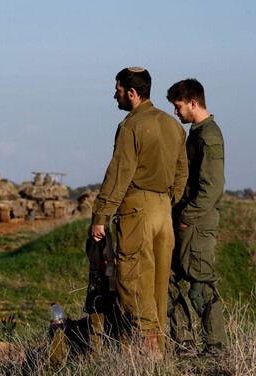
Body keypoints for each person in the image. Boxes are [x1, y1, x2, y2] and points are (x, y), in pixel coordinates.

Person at [89, 67, 188, 356]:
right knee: (157, 281)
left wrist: (100, 217)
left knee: (131, 277)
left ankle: (149, 346)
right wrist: (169, 200)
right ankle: (159, 349)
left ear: (132, 93)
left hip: (137, 209)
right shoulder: (173, 125)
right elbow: (182, 172)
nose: (115, 96)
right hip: (163, 211)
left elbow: (119, 174)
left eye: (118, 91)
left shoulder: (130, 126)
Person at [166, 79, 227, 356]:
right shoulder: (196, 132)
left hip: (197, 222)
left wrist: (186, 217)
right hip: (185, 219)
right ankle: (184, 342)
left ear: (193, 103)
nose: (176, 114)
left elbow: (212, 186)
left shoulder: (208, 134)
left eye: (178, 107)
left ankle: (215, 348)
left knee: (200, 287)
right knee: (165, 279)